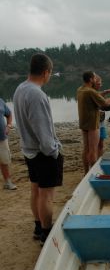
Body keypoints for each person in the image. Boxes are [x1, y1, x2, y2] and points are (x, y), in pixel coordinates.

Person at [13, 53, 63, 245]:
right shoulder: (37, 94)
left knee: (36, 190)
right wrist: (54, 151)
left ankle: (37, 226)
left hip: (29, 151)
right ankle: (46, 233)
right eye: (50, 73)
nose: (49, 76)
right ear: (45, 72)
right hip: (42, 153)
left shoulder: (20, 89)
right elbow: (43, 132)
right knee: (46, 195)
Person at [77, 71, 110, 173]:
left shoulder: (81, 89)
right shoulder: (91, 92)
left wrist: (106, 91)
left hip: (83, 123)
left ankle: (86, 172)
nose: (96, 79)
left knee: (86, 149)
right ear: (91, 80)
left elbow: (96, 95)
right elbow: (106, 103)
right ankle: (93, 173)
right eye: (95, 78)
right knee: (93, 150)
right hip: (92, 124)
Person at [93, 75, 110, 157]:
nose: (100, 85)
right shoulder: (91, 93)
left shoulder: (98, 93)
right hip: (94, 124)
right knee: (94, 146)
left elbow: (105, 106)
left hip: (101, 123)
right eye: (98, 84)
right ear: (93, 83)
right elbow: (106, 102)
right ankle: (94, 162)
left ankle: (99, 160)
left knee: (101, 145)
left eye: (100, 84)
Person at [0, 98, 17, 190]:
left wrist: (9, 125)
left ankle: (7, 182)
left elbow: (9, 114)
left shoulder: (1, 101)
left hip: (2, 138)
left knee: (4, 160)